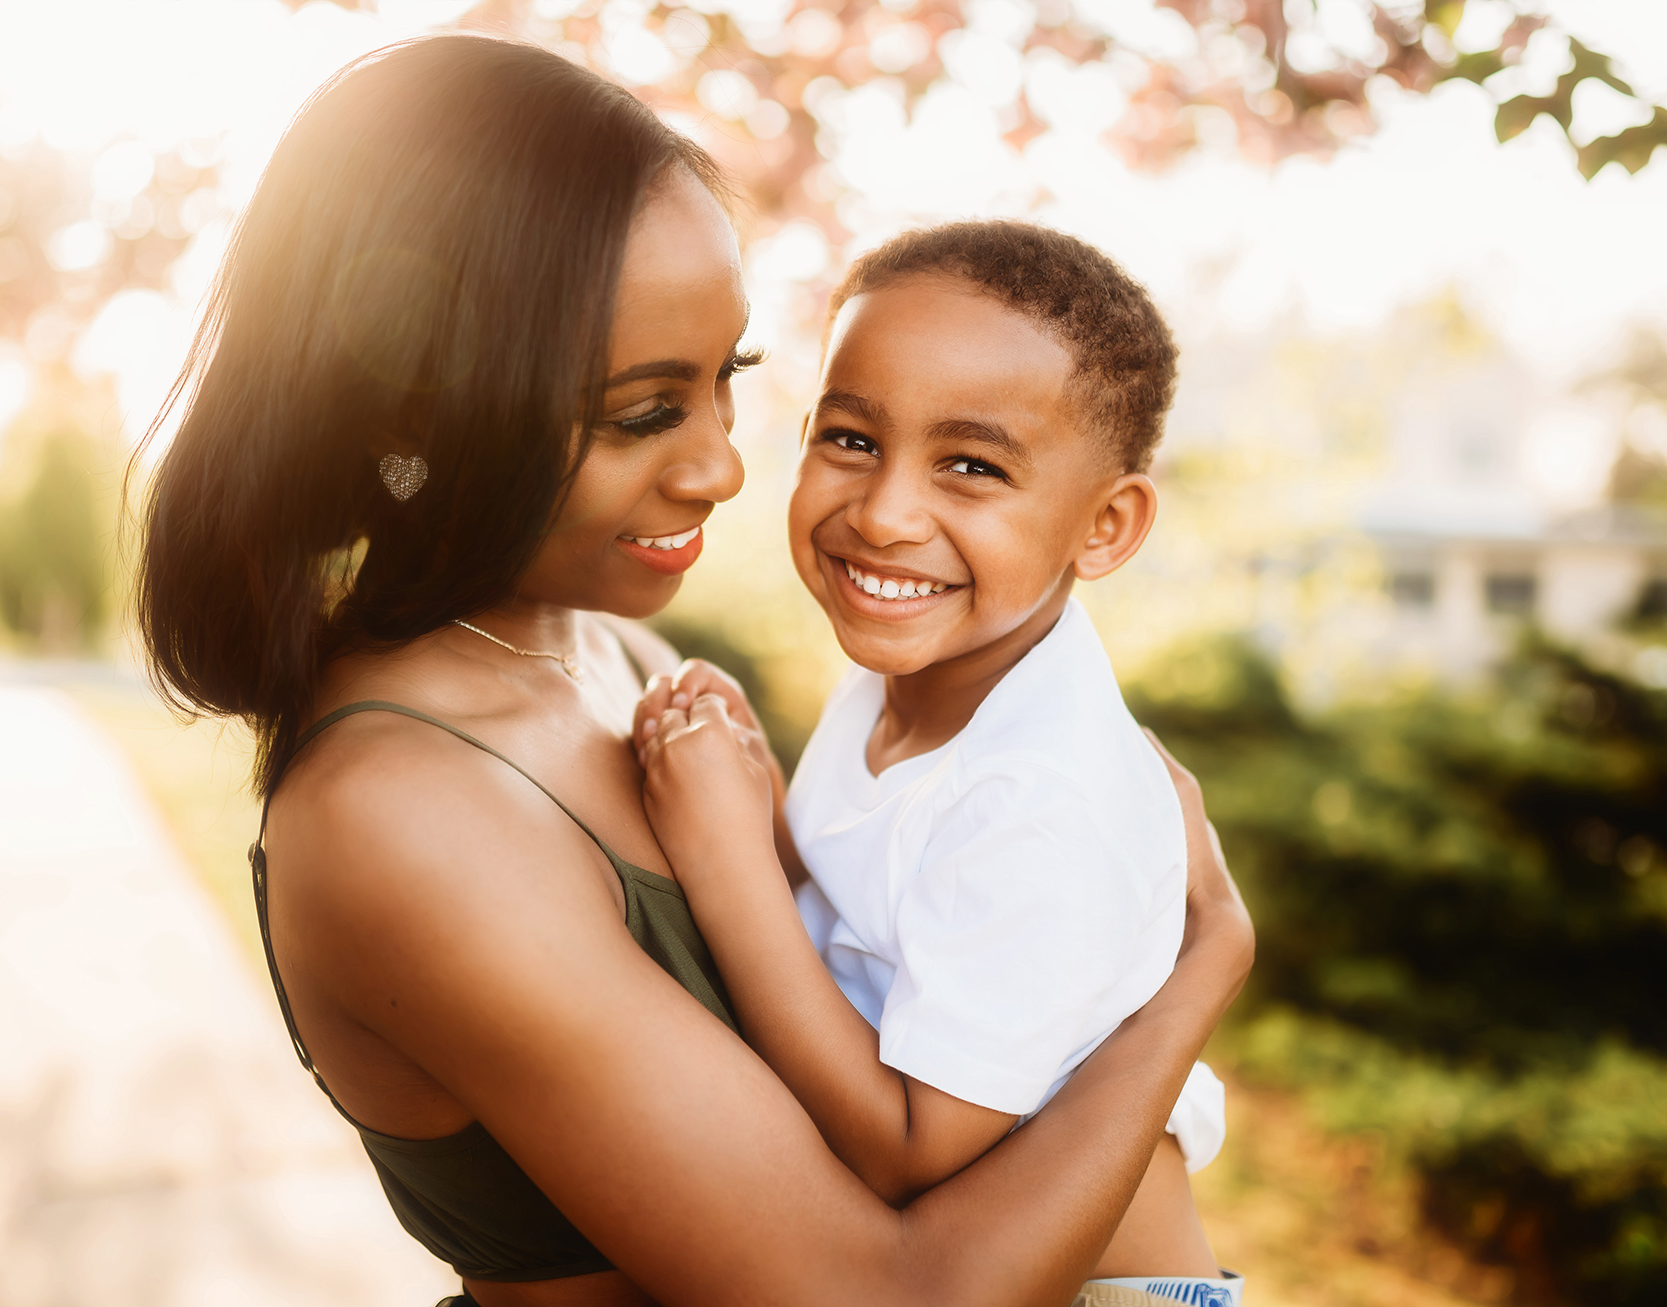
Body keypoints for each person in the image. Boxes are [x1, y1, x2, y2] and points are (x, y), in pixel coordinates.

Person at [138, 33, 1253, 1307]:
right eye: (641, 411)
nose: (722, 466)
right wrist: (1199, 970)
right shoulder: (405, 813)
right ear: (413, 416)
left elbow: (867, 970)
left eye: (725, 381)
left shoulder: (618, 654)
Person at [635, 221, 1240, 1306]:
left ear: (1103, 524)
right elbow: (873, 911)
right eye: (852, 440)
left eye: (970, 466)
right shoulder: (918, 670)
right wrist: (757, 800)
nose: (883, 513)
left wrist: (727, 859)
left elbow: (910, 1147)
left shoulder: (1039, 796)